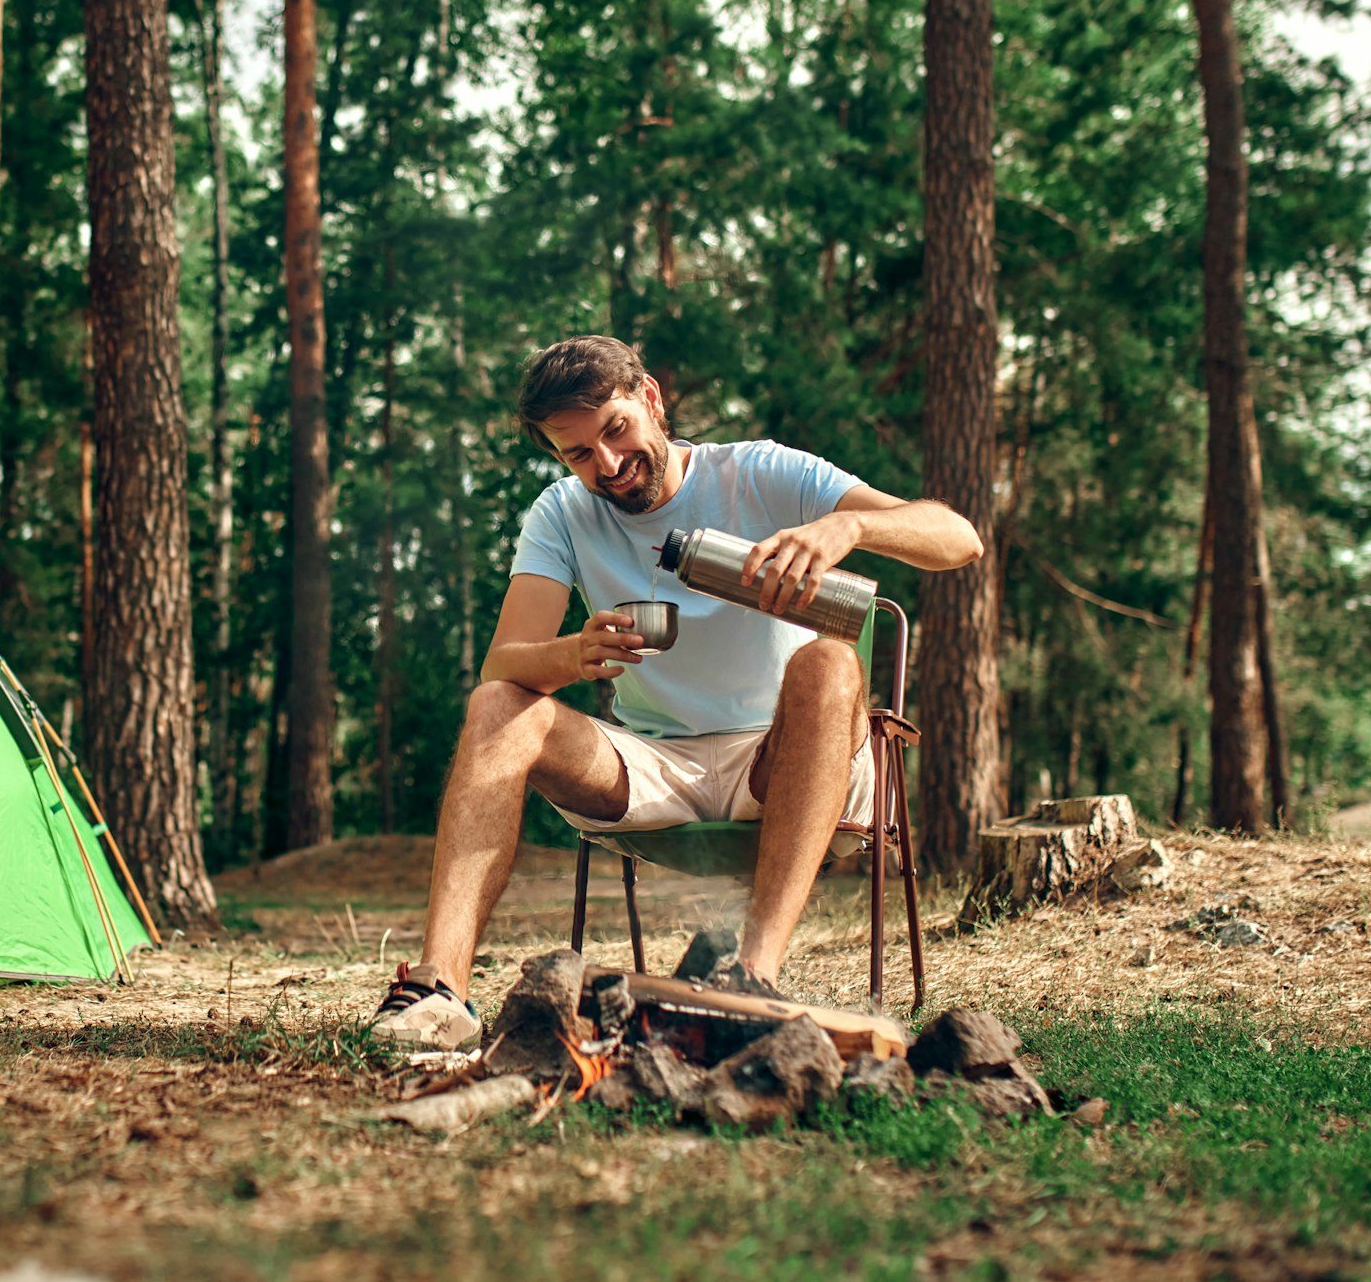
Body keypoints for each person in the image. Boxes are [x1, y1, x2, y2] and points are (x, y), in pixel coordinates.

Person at [370, 335, 983, 1050]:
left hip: (781, 758)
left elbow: (959, 537)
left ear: (651, 399)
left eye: (615, 429)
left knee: (830, 664)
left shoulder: (760, 471)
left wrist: (846, 524)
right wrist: (573, 652)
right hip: (650, 767)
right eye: (576, 453)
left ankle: (750, 981)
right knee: (495, 706)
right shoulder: (563, 513)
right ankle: (439, 992)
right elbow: (503, 663)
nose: (606, 464)